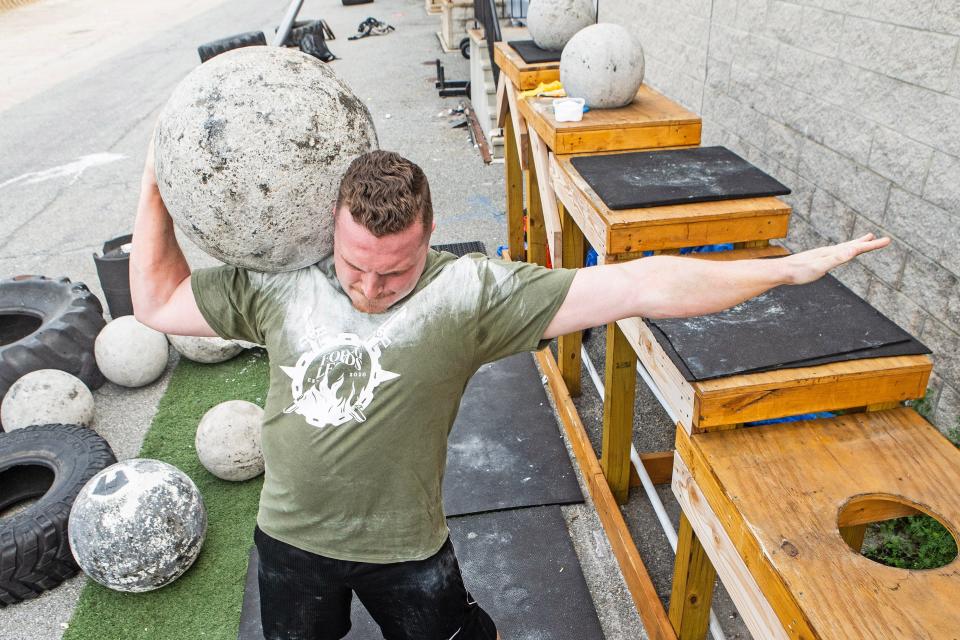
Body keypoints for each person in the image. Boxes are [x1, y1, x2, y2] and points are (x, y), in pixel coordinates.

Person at [130, 147, 890, 640]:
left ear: (428, 237)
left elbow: (641, 282)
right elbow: (158, 303)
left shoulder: (472, 294)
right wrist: (155, 188)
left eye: (391, 271)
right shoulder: (283, 283)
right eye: (354, 262)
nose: (367, 286)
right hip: (289, 544)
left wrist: (786, 270)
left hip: (407, 551)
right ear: (333, 228)